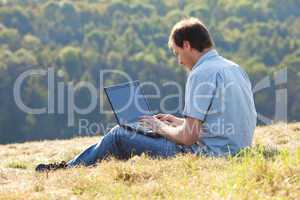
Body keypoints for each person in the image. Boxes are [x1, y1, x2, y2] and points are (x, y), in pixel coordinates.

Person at [35, 17, 257, 172]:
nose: (179, 61)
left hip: (209, 157)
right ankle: (88, 167)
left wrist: (160, 127)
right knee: (142, 131)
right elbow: (222, 119)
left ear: (187, 45)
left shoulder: (201, 73)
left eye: (177, 53)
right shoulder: (233, 68)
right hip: (237, 152)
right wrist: (177, 121)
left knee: (119, 134)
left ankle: (68, 170)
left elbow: (189, 137)